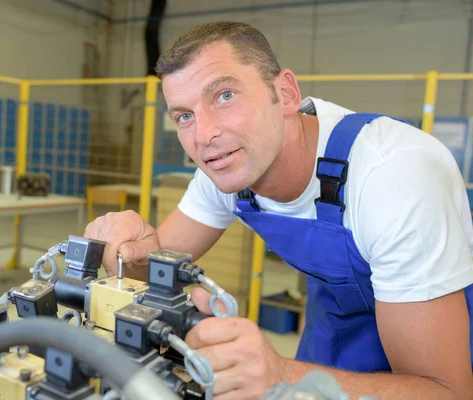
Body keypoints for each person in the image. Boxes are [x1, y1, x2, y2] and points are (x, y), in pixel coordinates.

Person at [84, 21, 473, 399]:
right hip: (331, 336)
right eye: (184, 116)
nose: (203, 136)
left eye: (224, 96)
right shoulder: (228, 167)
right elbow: (150, 271)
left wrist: (282, 374)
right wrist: (130, 247)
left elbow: (446, 391)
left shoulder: (393, 175)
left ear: (285, 93)